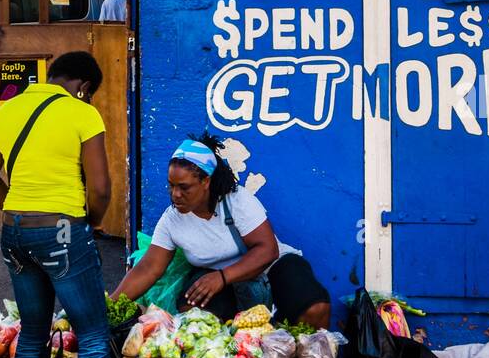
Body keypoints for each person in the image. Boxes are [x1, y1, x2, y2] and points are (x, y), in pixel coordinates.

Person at [0, 51, 138, 358]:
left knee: (32, 334)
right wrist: (91, 226)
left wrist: (16, 213)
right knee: (94, 334)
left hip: (16, 232)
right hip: (64, 230)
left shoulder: (6, 111)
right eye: (90, 92)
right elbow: (100, 188)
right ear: (83, 85)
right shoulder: (81, 114)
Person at [110, 134, 331, 328]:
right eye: (171, 185)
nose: (175, 194)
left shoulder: (236, 201)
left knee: (315, 310)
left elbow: (267, 250)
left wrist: (223, 277)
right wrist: (109, 307)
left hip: (270, 269)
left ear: (206, 181)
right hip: (218, 282)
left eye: (184, 187)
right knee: (195, 321)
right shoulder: (172, 219)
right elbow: (149, 268)